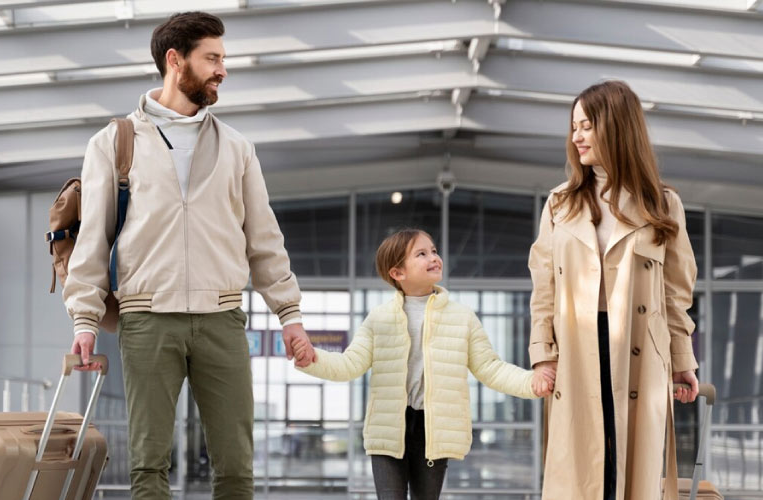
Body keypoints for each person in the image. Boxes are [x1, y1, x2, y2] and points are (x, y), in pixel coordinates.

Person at [63, 11, 315, 499]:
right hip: (146, 319)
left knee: (237, 468)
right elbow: (93, 238)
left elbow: (264, 238)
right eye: (212, 58)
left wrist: (290, 314)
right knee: (148, 465)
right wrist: (85, 322)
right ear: (175, 61)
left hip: (222, 318)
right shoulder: (114, 143)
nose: (223, 69)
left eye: (223, 58)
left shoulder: (237, 147)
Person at [528, 80, 699, 500]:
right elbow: (544, 285)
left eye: (586, 125)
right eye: (574, 127)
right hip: (575, 347)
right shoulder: (559, 203)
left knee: (631, 470)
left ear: (617, 127)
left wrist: (682, 361)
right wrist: (541, 356)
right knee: (581, 469)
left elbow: (676, 294)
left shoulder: (662, 203)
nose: (576, 137)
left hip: (639, 348)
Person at [293, 228, 554, 499]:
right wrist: (313, 359)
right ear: (397, 273)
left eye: (434, 251)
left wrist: (530, 382)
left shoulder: (462, 318)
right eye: (421, 253)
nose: (434, 257)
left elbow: (490, 367)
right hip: (388, 428)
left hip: (433, 429)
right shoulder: (379, 318)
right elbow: (350, 364)